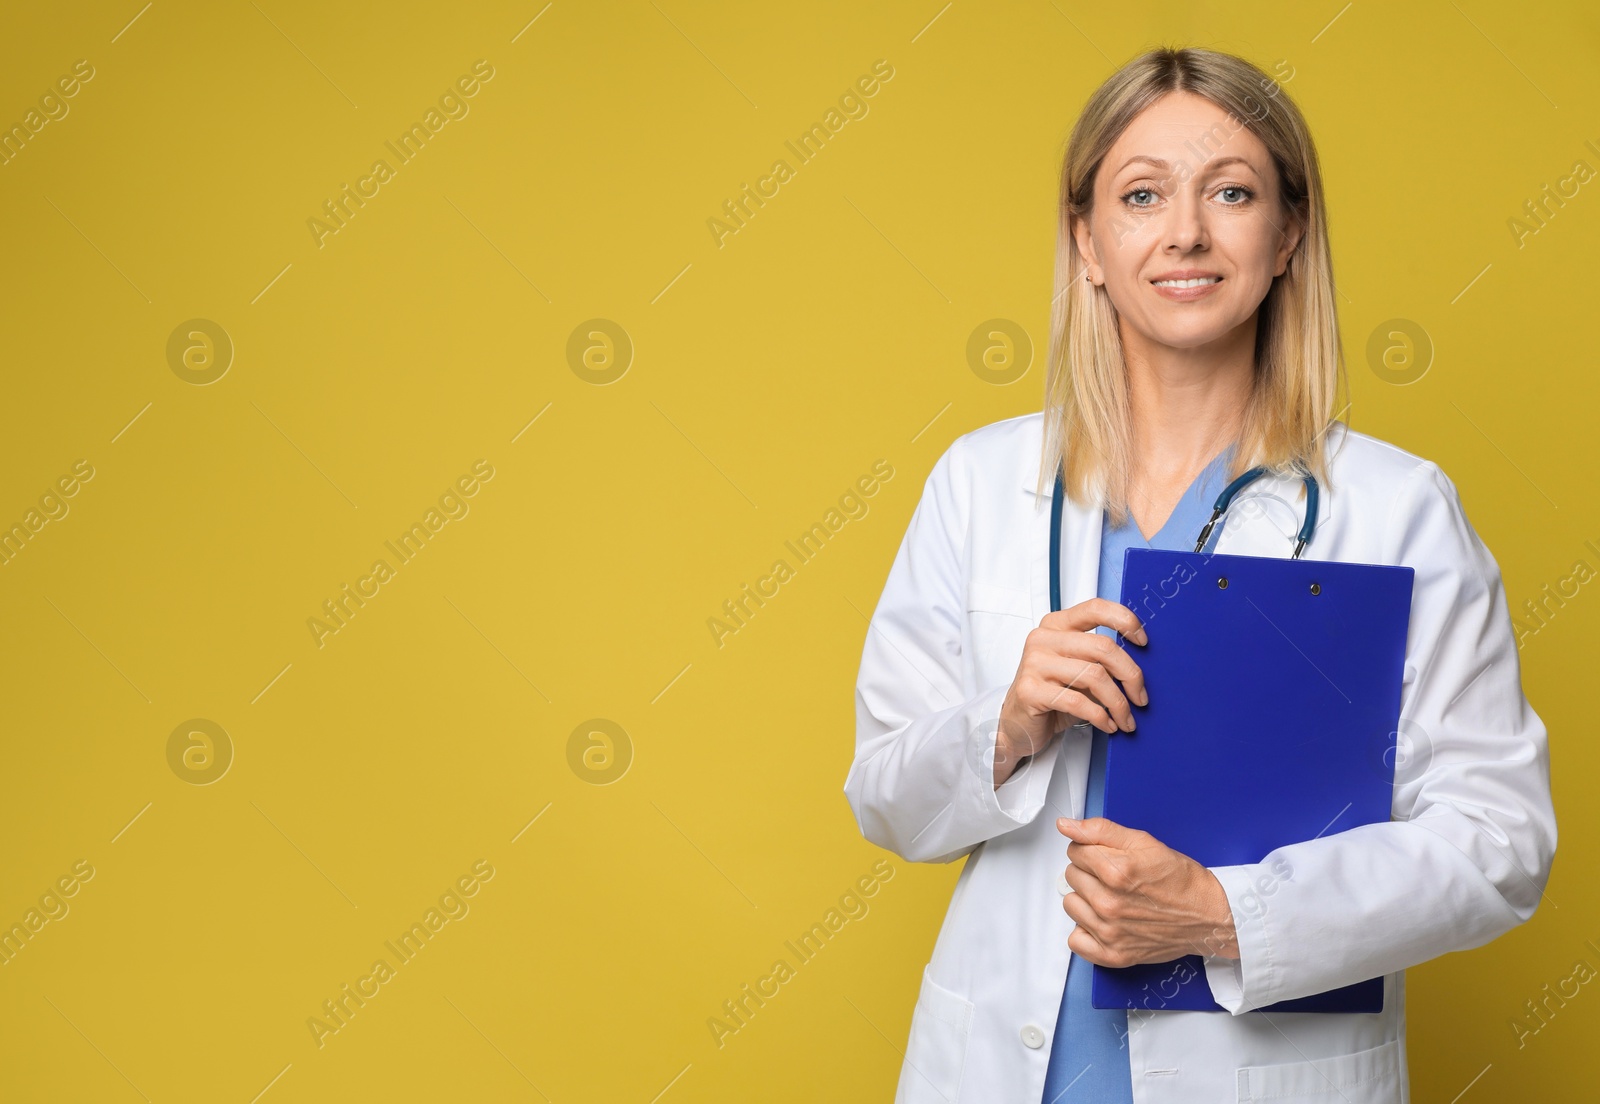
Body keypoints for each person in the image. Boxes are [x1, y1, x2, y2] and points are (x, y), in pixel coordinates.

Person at [843, 46, 1556, 1104]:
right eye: (1141, 196)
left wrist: (1229, 915)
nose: (1185, 232)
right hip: (1000, 1066)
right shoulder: (980, 483)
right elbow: (885, 800)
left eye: (1230, 192)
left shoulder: (1398, 509)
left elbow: (1500, 841)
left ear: (1287, 237)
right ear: (1086, 241)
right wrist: (1005, 725)